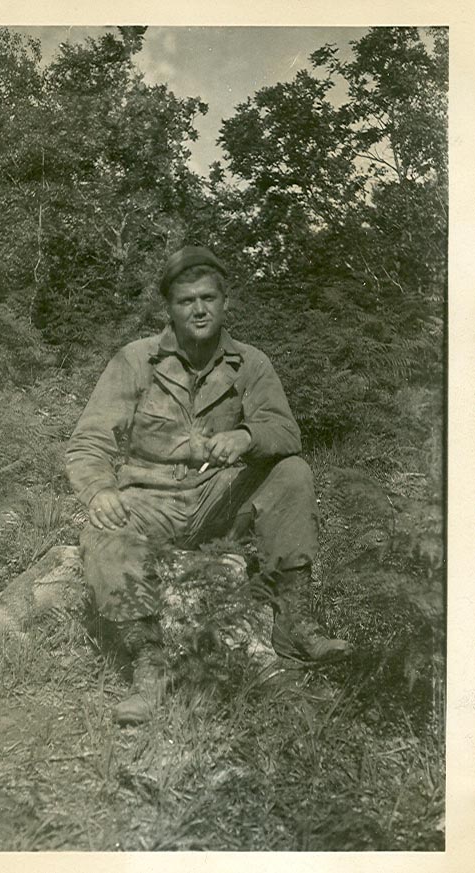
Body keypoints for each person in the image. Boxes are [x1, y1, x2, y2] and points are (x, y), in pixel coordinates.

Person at [66, 246, 350, 724]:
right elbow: (87, 441)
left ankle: (295, 625)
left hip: (218, 500)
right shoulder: (136, 361)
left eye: (208, 298)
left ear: (224, 302)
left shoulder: (251, 364)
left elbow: (286, 433)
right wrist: (99, 491)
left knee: (292, 471)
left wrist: (245, 436)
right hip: (148, 501)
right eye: (185, 301)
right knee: (103, 535)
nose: (198, 309)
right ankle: (149, 668)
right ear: (168, 309)